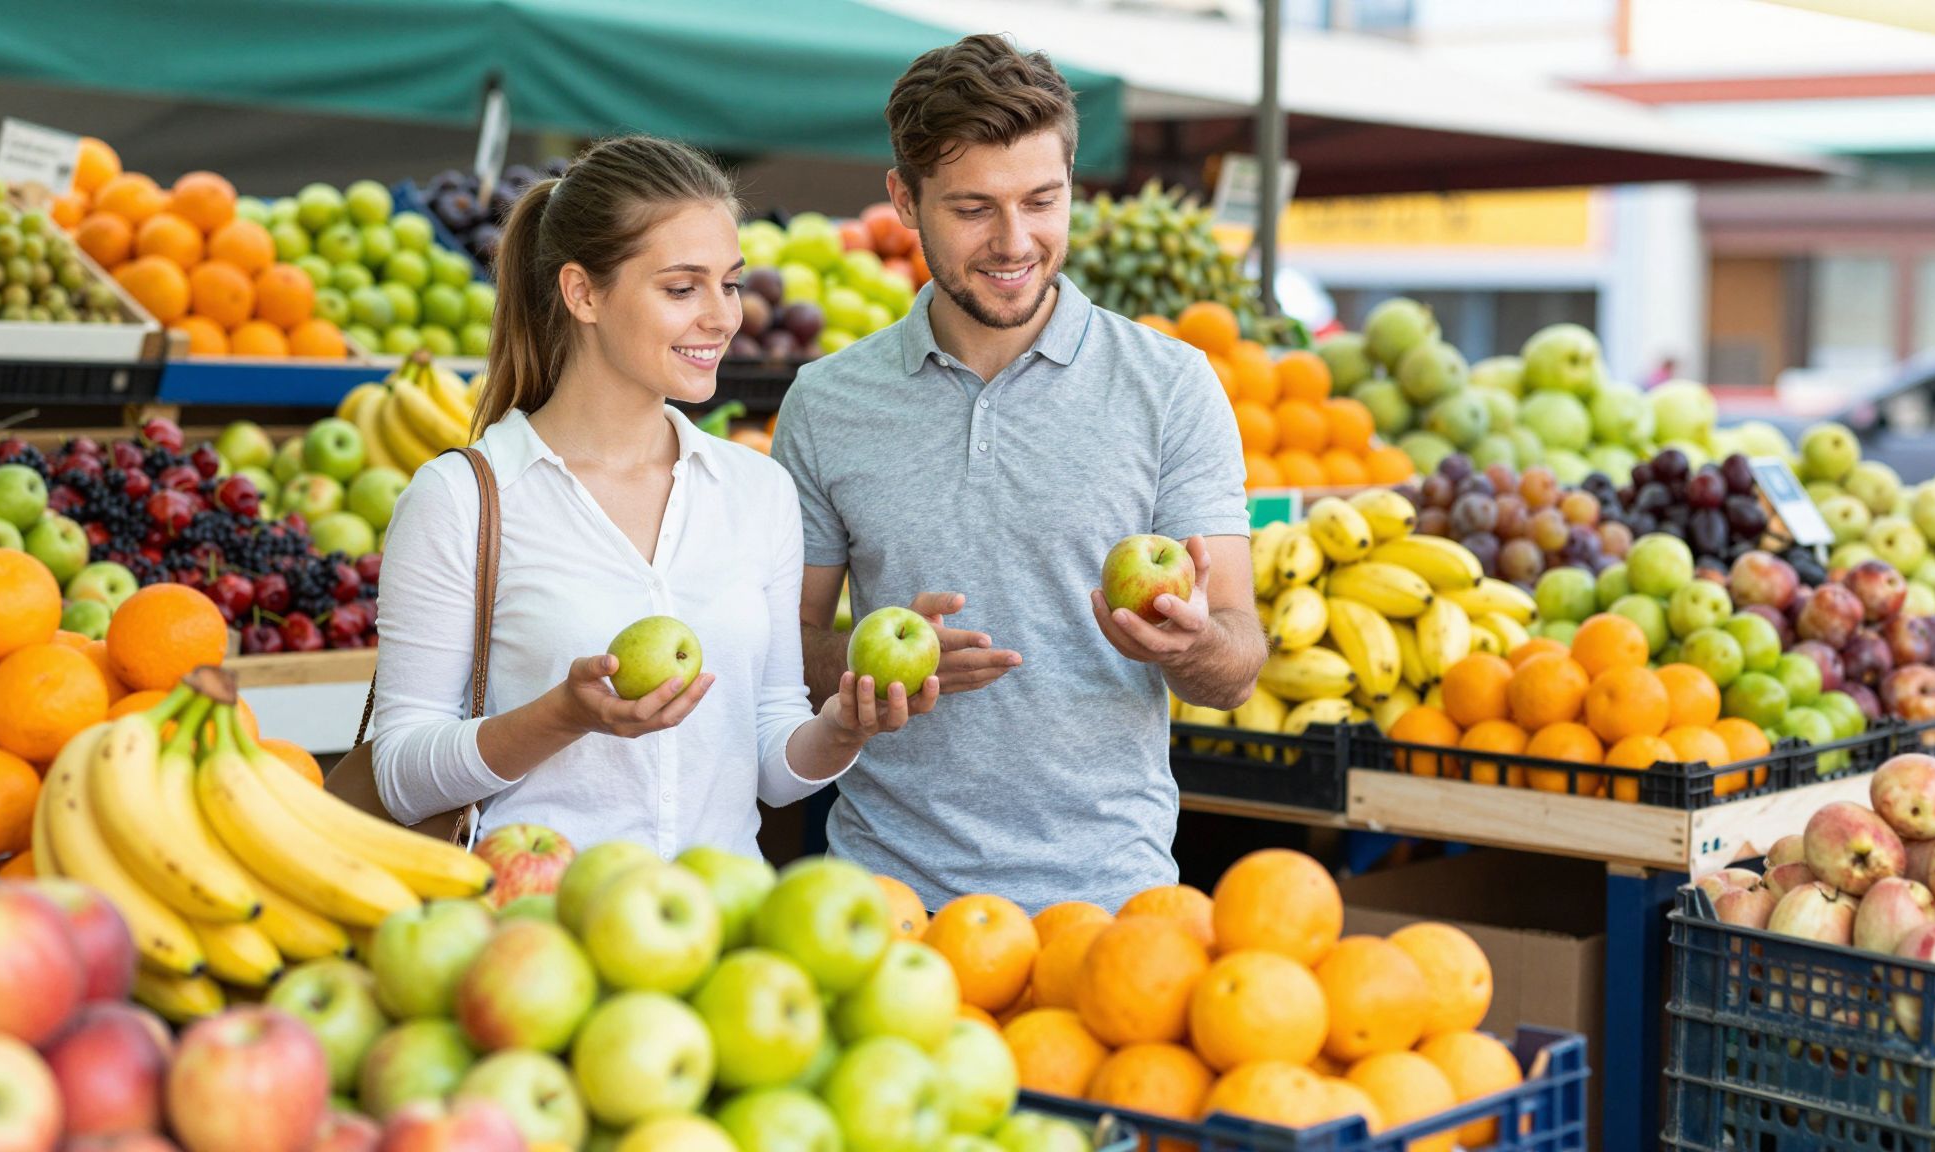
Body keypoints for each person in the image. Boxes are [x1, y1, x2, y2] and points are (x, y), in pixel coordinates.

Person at [772, 36, 1266, 913]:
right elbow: (783, 655)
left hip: (1110, 907)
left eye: (1043, 200)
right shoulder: (825, 403)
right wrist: (868, 660)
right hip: (886, 907)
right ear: (904, 200)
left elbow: (1237, 666)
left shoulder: (1171, 386)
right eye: (973, 208)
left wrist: (1194, 646)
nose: (1014, 242)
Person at [369, 135, 931, 860]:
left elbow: (772, 758)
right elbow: (400, 774)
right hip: (537, 937)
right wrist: (562, 716)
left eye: (730, 283)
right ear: (583, 293)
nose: (724, 317)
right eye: (681, 288)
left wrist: (844, 727)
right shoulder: (462, 500)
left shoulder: (757, 492)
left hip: (719, 935)